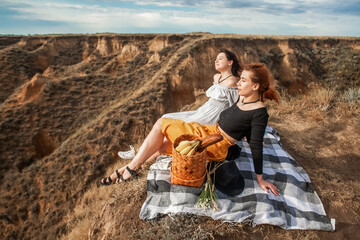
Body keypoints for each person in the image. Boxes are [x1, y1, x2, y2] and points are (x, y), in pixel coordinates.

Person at [100, 62, 280, 196]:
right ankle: (126, 170)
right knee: (162, 146)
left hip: (215, 144)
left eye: (243, 81)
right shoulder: (244, 98)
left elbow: (256, 147)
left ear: (255, 86)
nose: (238, 84)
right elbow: (244, 124)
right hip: (208, 131)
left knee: (161, 124)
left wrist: (260, 179)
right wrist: (248, 135)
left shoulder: (259, 112)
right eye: (239, 79)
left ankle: (131, 168)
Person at [118, 49, 241, 160]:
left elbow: (235, 105)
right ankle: (139, 156)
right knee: (166, 119)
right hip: (204, 110)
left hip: (212, 116)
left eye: (221, 58)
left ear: (230, 62)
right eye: (216, 58)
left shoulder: (232, 81)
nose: (216, 61)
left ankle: (138, 155)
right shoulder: (217, 77)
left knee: (169, 122)